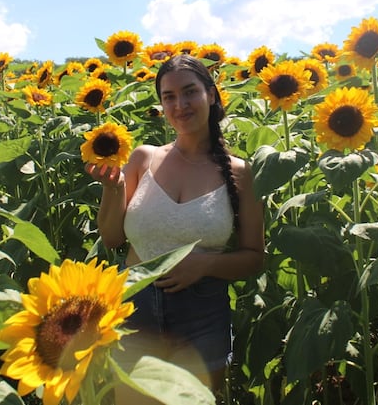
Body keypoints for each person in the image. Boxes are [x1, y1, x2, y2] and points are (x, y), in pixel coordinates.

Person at [85, 53, 265, 403]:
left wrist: (206, 264)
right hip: (135, 309)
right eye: (169, 97)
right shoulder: (143, 158)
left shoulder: (241, 173)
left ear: (211, 95)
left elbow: (255, 258)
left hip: (202, 314)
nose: (179, 104)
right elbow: (111, 238)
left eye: (189, 92)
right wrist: (113, 189)